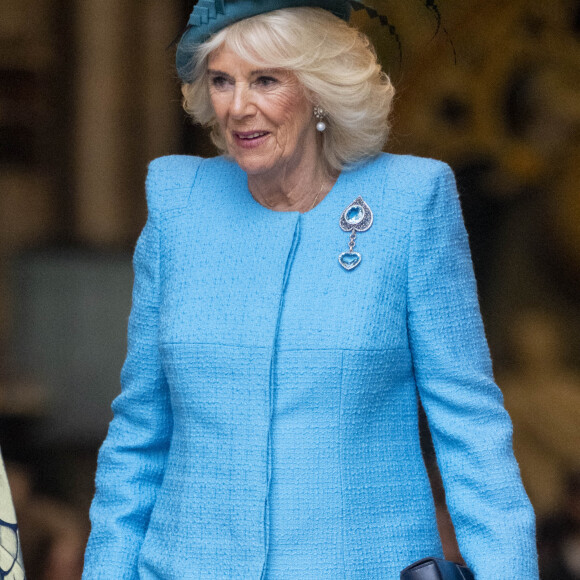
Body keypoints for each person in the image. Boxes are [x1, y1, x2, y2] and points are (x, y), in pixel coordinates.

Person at [82, 1, 539, 578]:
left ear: (320, 88)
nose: (238, 106)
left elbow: (470, 431)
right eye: (222, 81)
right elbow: (138, 434)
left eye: (266, 79)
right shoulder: (180, 203)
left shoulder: (411, 202)